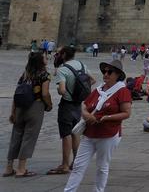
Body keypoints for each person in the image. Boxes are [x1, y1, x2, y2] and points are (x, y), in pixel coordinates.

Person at [63, 59, 131, 192]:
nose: (105, 74)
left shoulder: (122, 91)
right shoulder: (98, 90)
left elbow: (127, 113)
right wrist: (84, 113)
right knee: (78, 166)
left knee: (102, 166)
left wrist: (106, 118)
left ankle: (98, 190)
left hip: (108, 134)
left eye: (109, 72)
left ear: (117, 75)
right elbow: (84, 104)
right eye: (104, 71)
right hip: (90, 134)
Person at [4, 52, 52, 178]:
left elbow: (17, 92)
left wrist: (13, 111)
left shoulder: (25, 74)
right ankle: (21, 169)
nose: (47, 59)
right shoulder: (44, 75)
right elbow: (45, 94)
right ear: (41, 61)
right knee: (29, 137)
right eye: (45, 58)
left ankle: (9, 168)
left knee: (16, 135)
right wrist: (49, 105)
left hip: (19, 107)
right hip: (35, 107)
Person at [48, 46, 92, 176]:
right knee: (75, 132)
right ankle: (76, 162)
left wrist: (64, 91)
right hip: (78, 104)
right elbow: (92, 80)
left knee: (66, 134)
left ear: (64, 55)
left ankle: (65, 164)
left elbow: (61, 90)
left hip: (67, 105)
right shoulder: (82, 65)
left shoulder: (63, 69)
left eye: (59, 53)